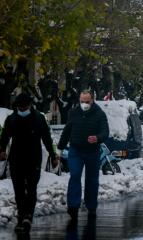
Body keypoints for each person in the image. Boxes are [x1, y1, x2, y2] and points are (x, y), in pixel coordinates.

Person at [0, 93, 59, 233]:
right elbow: (4, 136)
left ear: (30, 105)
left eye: (25, 106)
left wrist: (53, 155)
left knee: (31, 189)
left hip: (33, 159)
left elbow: (47, 138)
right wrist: (1, 150)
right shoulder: (11, 119)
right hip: (16, 159)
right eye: (20, 107)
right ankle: (21, 216)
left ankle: (28, 216)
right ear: (17, 106)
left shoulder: (39, 119)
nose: (23, 109)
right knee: (19, 190)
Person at [58, 90, 110, 221]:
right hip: (76, 150)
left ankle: (91, 206)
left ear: (92, 101)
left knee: (92, 179)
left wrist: (97, 138)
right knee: (74, 176)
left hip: (92, 151)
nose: (84, 104)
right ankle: (73, 207)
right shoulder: (74, 113)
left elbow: (105, 132)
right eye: (82, 102)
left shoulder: (100, 114)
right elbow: (67, 130)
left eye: (87, 102)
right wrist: (59, 148)